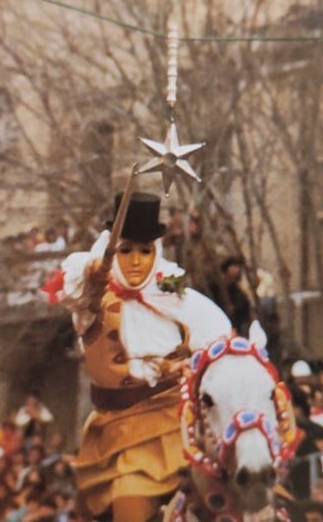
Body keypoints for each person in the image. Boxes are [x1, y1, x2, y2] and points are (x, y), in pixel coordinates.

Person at [44, 192, 232, 521]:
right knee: (125, 503)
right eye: (126, 250)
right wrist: (94, 271)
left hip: (179, 420)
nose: (135, 261)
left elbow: (223, 345)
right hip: (119, 431)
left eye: (144, 251)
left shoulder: (176, 295)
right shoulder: (93, 299)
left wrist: (193, 368)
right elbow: (67, 289)